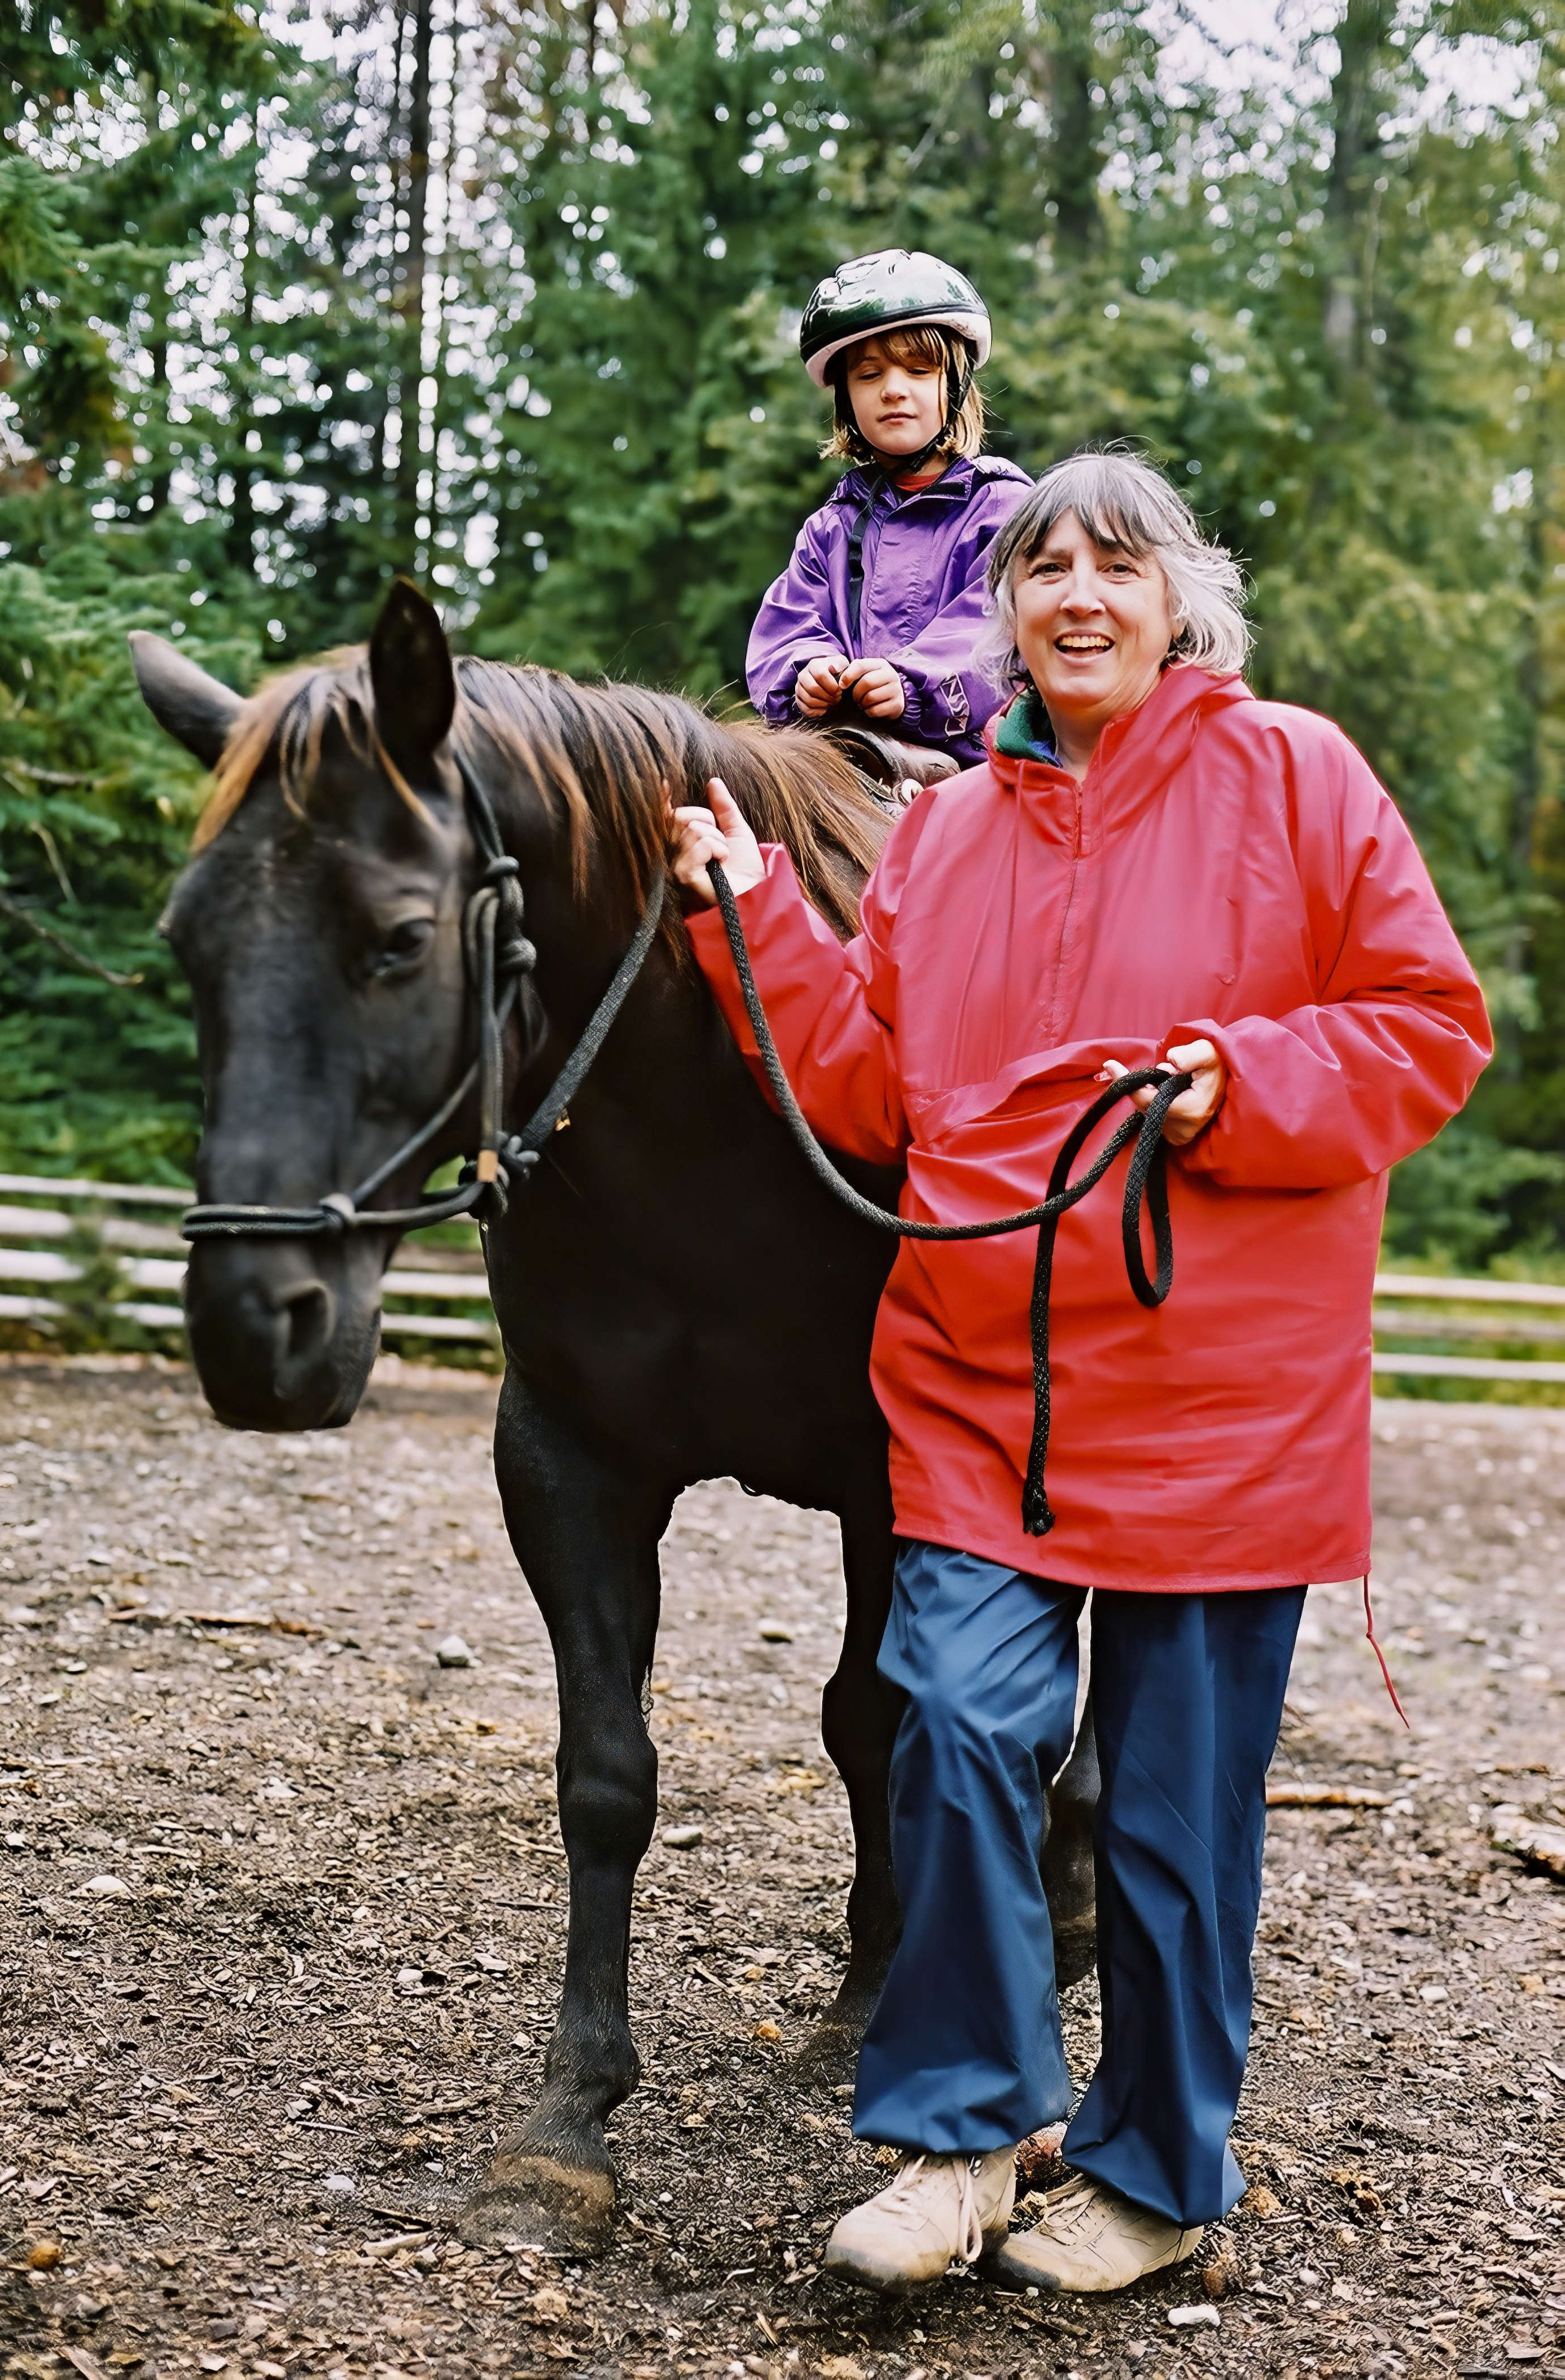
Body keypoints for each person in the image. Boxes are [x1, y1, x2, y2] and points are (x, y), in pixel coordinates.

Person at [671, 451, 1491, 2298]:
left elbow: (1428, 1025)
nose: (1078, 594)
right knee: (956, 1726)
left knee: (1169, 1817)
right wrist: (747, 913)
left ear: (1179, 601)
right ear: (1007, 615)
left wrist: (1246, 1082)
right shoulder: (946, 831)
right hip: (982, 1387)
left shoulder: (1298, 773)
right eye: (1043, 568)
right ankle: (965, 2132)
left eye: (1118, 563)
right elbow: (870, 1085)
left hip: (1222, 1400)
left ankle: (1152, 2168)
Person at [746, 249, 1030, 768]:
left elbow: (999, 632)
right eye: (869, 375)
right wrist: (808, 672)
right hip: (845, 765)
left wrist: (910, 685)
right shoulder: (829, 530)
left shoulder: (1004, 512)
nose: (893, 390)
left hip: (974, 770)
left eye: (918, 370)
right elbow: (787, 626)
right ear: (845, 399)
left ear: (958, 386)